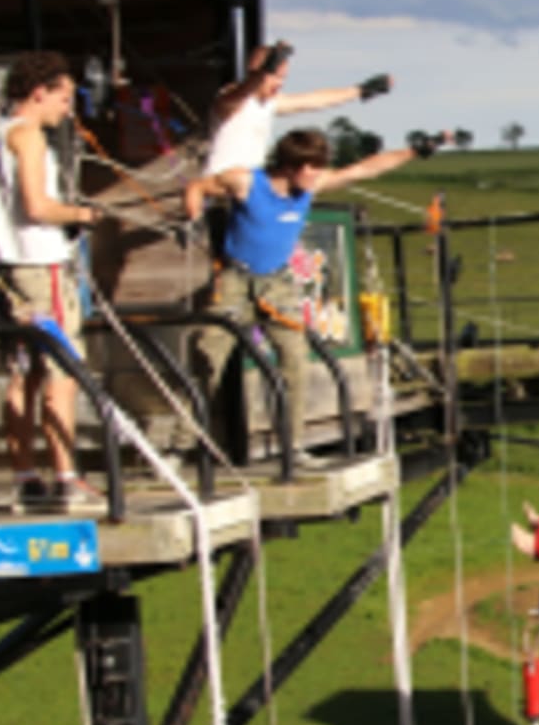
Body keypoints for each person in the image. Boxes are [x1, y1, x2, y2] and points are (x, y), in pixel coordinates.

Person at [182, 128, 446, 466]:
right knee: (207, 360)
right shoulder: (246, 182)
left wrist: (415, 151)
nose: (319, 175)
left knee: (295, 359)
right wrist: (192, 219)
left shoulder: (311, 185)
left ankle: (292, 446)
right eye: (314, 168)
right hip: (234, 281)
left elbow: (364, 169)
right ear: (293, 166)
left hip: (277, 286)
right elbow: (196, 187)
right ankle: (183, 445)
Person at [0, 50, 105, 511]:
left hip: (10, 267)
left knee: (22, 375)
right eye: (63, 97)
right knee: (62, 372)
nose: (67, 108)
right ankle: (67, 478)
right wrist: (82, 214)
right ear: (38, 92)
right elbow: (37, 206)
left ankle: (27, 476)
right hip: (42, 265)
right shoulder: (28, 136)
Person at [204, 40, 390, 174]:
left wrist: (361, 90)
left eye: (284, 78)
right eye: (275, 76)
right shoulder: (231, 98)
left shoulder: (269, 104)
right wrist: (264, 70)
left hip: (247, 192)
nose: (280, 83)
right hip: (219, 194)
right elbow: (243, 92)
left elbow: (315, 100)